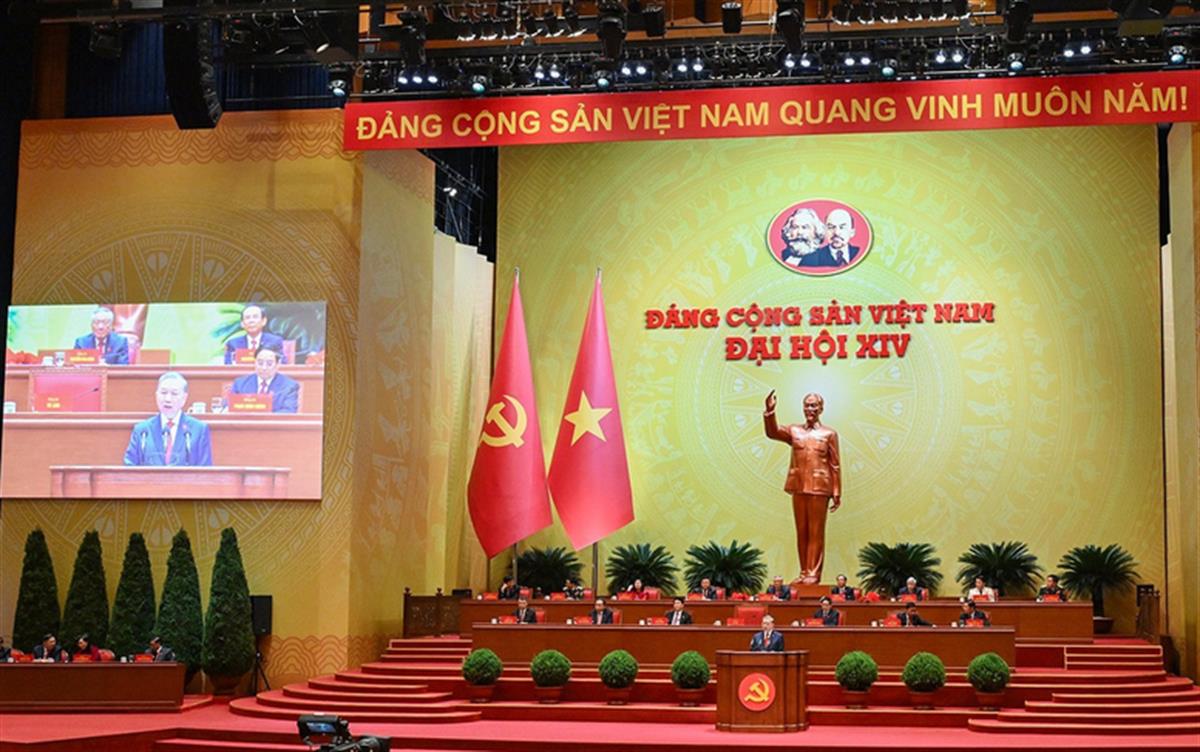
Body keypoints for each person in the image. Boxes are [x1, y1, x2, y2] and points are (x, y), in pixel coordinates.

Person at [764, 390, 842, 584]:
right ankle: (804, 571)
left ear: (821, 409)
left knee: (816, 532)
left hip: (819, 488)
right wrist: (770, 412)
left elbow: (835, 464)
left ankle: (814, 573)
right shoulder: (794, 431)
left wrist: (837, 491)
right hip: (798, 486)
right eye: (807, 405)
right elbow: (773, 432)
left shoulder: (829, 434)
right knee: (802, 531)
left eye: (814, 405)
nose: (810, 409)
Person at [123, 373, 213, 466]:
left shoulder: (198, 430)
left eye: (174, 394)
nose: (168, 399)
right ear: (156, 395)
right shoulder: (142, 430)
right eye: (163, 393)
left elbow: (205, 470)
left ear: (184, 398)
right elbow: (129, 467)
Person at [229, 346, 299, 413]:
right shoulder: (240, 384)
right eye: (260, 363)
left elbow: (289, 411)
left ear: (278, 364)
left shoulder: (289, 386)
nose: (264, 368)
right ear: (254, 363)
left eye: (269, 364)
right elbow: (228, 407)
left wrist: (263, 418)